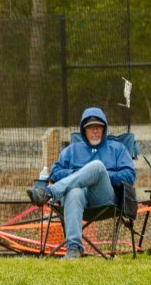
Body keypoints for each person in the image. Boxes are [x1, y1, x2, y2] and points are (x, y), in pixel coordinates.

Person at [27, 107, 135, 259]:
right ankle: (73, 248)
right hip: (76, 200)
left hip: (104, 199)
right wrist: (80, 175)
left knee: (97, 166)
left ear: (104, 129)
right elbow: (55, 172)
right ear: (84, 131)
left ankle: (49, 193)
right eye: (90, 128)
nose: (95, 131)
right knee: (74, 191)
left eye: (98, 127)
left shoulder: (117, 149)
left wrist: (99, 174)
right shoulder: (72, 150)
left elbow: (130, 176)